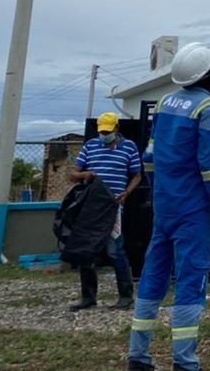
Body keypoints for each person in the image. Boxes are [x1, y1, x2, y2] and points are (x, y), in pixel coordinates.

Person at [128, 44, 210, 371]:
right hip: (193, 211)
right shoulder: (209, 108)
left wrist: (159, 192)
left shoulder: (164, 103)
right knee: (191, 280)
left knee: (153, 276)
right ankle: (185, 362)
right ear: (208, 74)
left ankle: (139, 357)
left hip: (165, 206)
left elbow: (149, 157)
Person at [69, 111, 141, 311]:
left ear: (117, 128)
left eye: (108, 131)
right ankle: (88, 297)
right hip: (91, 205)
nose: (104, 134)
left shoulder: (129, 147)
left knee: (115, 249)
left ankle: (126, 297)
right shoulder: (90, 146)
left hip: (114, 205)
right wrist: (85, 174)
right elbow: (73, 173)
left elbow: (137, 175)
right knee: (87, 250)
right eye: (101, 131)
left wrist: (127, 192)